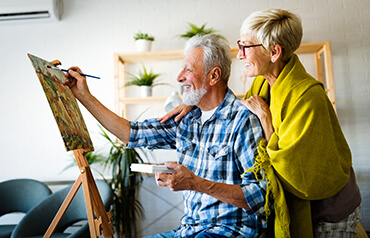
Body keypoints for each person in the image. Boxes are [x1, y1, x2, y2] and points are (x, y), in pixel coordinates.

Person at [160, 9, 362, 238]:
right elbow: (237, 105)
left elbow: (297, 172)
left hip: (328, 210)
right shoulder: (262, 86)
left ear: (274, 52)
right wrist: (196, 101)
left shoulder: (308, 97)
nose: (240, 55)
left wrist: (266, 121)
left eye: (246, 47)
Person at [64, 34, 269, 237]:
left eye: (188, 69)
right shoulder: (187, 118)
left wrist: (195, 183)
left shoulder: (242, 120)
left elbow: (260, 196)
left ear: (214, 76)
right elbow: (131, 133)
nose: (179, 77)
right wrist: (84, 96)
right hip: (189, 231)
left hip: (229, 232)